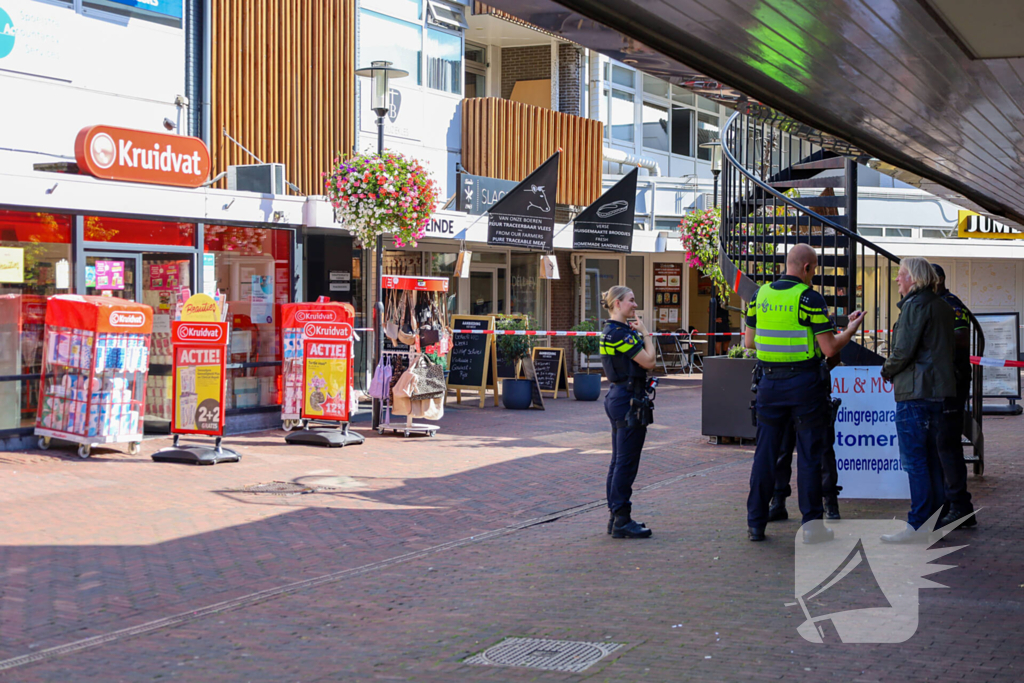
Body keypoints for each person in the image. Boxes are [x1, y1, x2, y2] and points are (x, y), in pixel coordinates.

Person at [744, 244, 864, 544]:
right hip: (805, 386)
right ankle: (812, 526)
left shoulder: (760, 295)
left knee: (765, 454)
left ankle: (756, 524)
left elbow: (749, 342)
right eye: (815, 270)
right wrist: (850, 330)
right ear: (808, 268)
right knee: (809, 455)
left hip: (769, 385)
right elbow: (828, 349)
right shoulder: (809, 298)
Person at [879, 257, 957, 543]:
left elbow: (902, 351)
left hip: (915, 394)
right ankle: (932, 523)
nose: (897, 279)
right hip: (939, 395)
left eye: (901, 275)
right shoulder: (942, 306)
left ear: (913, 278)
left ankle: (918, 524)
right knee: (933, 460)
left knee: (915, 462)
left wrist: (886, 370)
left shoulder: (914, 306)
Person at [600, 286, 657, 539]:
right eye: (631, 301)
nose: (635, 305)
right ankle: (621, 518)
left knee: (618, 461)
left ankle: (617, 516)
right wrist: (646, 334)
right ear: (617, 303)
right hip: (627, 399)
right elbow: (649, 361)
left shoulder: (614, 331)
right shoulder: (618, 333)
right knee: (625, 462)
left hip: (621, 396)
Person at [768, 351, 843, 522]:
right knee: (786, 448)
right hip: (798, 385)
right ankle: (779, 501)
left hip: (805, 387)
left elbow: (832, 352)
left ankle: (829, 500)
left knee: (819, 448)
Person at [931, 263, 977, 528]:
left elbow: (961, 338)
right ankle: (952, 503)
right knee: (942, 445)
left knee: (947, 444)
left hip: (953, 382)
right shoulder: (934, 303)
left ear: (937, 280)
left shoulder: (950, 304)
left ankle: (960, 506)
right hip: (942, 382)